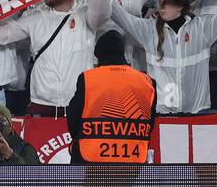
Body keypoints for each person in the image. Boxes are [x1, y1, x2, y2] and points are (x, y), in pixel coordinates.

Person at [67, 32, 157, 164]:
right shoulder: (147, 82)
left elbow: (73, 118)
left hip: (91, 158)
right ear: (122, 54)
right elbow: (150, 124)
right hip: (133, 158)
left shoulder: (88, 78)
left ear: (98, 55)